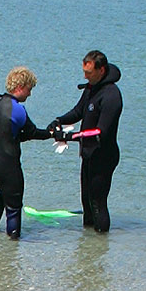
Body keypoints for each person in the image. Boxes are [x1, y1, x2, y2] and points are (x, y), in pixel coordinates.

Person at [53, 51, 123, 233]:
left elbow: (100, 131)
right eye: (84, 72)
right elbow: (78, 112)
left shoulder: (111, 95)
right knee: (86, 200)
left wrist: (70, 136)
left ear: (101, 70)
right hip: (89, 154)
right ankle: (88, 248)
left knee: (98, 202)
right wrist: (59, 121)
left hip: (104, 155)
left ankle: (101, 244)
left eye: (89, 73)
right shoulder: (91, 88)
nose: (85, 76)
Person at [0, 66, 54, 237]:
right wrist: (53, 134)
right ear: (20, 87)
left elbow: (11, 136)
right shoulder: (17, 109)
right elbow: (33, 132)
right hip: (8, 168)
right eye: (29, 89)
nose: (29, 94)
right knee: (14, 209)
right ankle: (13, 251)